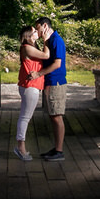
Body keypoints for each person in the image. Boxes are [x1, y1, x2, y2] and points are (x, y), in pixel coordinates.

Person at [29, 16, 66, 161]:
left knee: (57, 117)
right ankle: (56, 149)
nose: (36, 31)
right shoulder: (48, 41)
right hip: (49, 82)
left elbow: (57, 64)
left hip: (56, 82)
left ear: (45, 26)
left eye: (37, 28)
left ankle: (59, 151)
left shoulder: (56, 40)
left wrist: (38, 74)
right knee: (53, 115)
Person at [13, 25, 48, 161]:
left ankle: (20, 146)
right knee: (25, 117)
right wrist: (46, 40)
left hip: (31, 85)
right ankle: (20, 147)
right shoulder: (27, 48)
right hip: (30, 86)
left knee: (25, 116)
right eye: (34, 31)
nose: (36, 33)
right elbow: (46, 55)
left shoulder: (31, 47)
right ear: (28, 35)